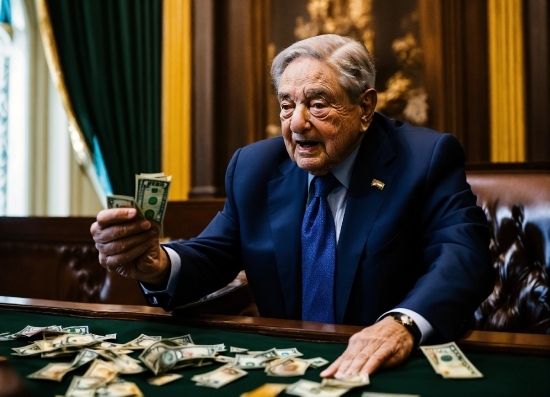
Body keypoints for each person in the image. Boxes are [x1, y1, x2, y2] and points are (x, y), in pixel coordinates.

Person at [91, 34, 494, 377]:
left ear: (366, 107)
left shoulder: (424, 158)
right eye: (286, 104)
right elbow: (214, 252)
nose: (296, 123)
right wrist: (158, 264)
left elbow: (463, 255)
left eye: (317, 104)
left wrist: (402, 323)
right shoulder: (254, 167)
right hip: (291, 370)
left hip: (390, 366)